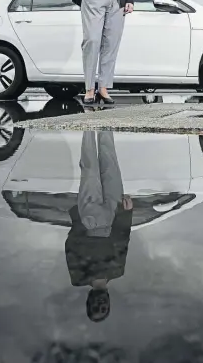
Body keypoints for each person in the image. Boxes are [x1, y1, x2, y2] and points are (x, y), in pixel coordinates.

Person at [65, 130, 133, 323]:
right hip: (113, 217)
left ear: (89, 302)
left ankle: (89, 123)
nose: (100, 305)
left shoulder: (78, 277)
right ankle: (104, 119)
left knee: (90, 169)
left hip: (90, 220)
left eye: (96, 308)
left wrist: (79, 221)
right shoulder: (117, 271)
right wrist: (126, 214)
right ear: (109, 303)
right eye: (104, 309)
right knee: (110, 163)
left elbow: (71, 246)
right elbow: (122, 241)